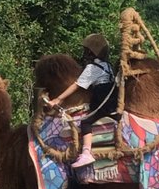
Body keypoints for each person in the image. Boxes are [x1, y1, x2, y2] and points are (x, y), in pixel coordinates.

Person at [48, 33, 118, 168]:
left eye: (86, 51)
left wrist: (58, 99)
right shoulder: (107, 65)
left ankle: (86, 153)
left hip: (101, 103)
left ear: (92, 52)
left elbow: (77, 85)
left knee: (85, 122)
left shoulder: (93, 68)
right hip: (112, 103)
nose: (84, 53)